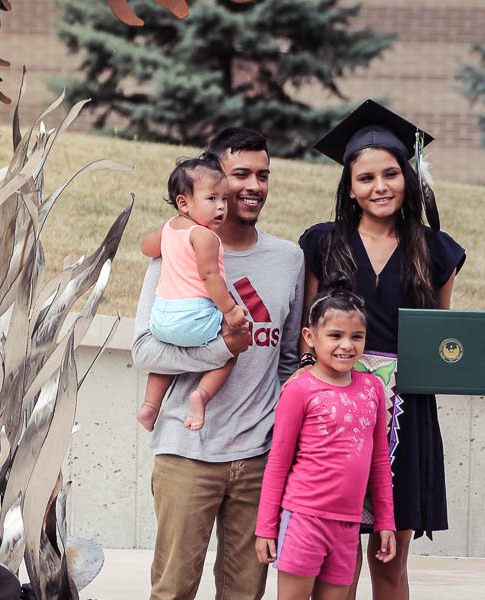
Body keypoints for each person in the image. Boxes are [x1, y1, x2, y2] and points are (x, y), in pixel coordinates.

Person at [298, 99, 485, 599]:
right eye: (366, 178)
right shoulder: (322, 243)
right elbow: (305, 335)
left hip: (405, 413)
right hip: (333, 411)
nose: (380, 187)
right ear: (349, 188)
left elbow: (441, 338)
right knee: (335, 561)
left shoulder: (436, 250)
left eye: (391, 174)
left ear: (408, 178)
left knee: (389, 561)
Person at [131, 127, 305, 600]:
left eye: (263, 175)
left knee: (244, 594)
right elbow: (144, 349)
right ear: (212, 183)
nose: (253, 186)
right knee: (173, 591)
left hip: (258, 458)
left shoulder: (290, 260)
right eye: (240, 174)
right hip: (187, 452)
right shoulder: (177, 253)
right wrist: (225, 348)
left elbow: (287, 360)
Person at [255, 289, 396, 600]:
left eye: (356, 336)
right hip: (304, 521)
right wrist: (266, 528)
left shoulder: (372, 388)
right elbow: (278, 463)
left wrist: (385, 521)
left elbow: (379, 462)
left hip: (348, 526)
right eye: (335, 335)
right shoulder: (299, 389)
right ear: (310, 335)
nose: (346, 345)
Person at [136, 155, 249, 432]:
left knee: (168, 355)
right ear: (183, 203)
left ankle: (150, 406)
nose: (221, 206)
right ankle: (201, 395)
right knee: (231, 352)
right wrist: (231, 311)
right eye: (212, 199)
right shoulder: (206, 237)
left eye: (224, 199)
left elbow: (147, 248)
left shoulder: (169, 229)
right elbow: (210, 276)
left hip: (161, 320)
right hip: (194, 316)